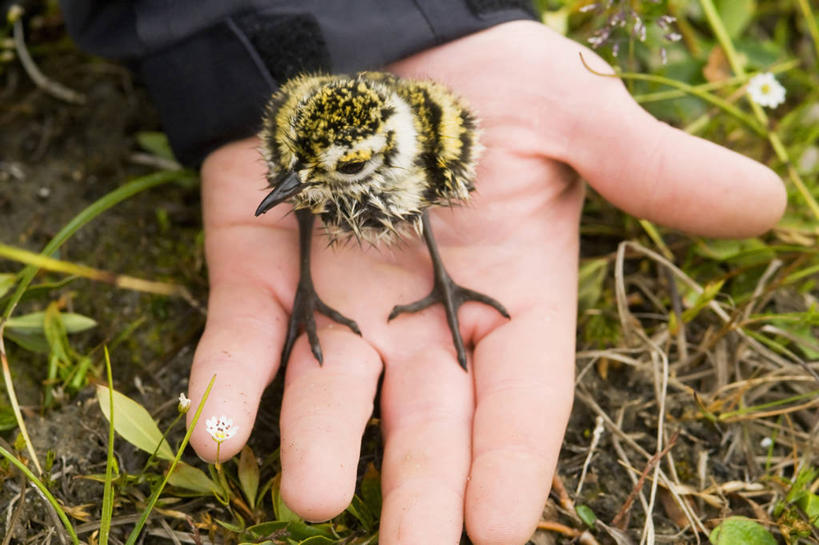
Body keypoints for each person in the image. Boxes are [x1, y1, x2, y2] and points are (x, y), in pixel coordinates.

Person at [62, 3, 786, 544]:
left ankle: (437, 274)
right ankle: (318, 273)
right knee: (311, 194)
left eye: (338, 168)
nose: (287, 185)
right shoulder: (310, 150)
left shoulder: (425, 153)